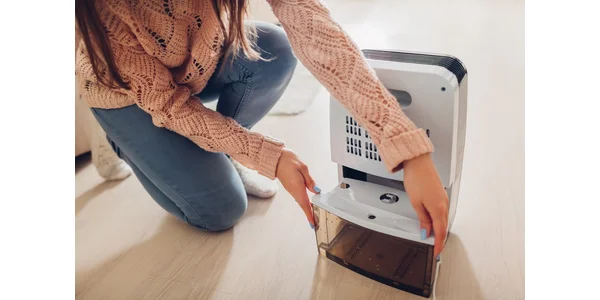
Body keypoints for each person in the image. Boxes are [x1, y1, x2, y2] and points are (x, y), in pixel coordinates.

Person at [75, 0, 449, 257]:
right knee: (221, 211)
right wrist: (267, 154)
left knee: (276, 48)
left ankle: (218, 149)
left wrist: (402, 142)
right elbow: (171, 107)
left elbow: (312, 26)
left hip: (195, 56)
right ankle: (120, 139)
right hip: (126, 91)